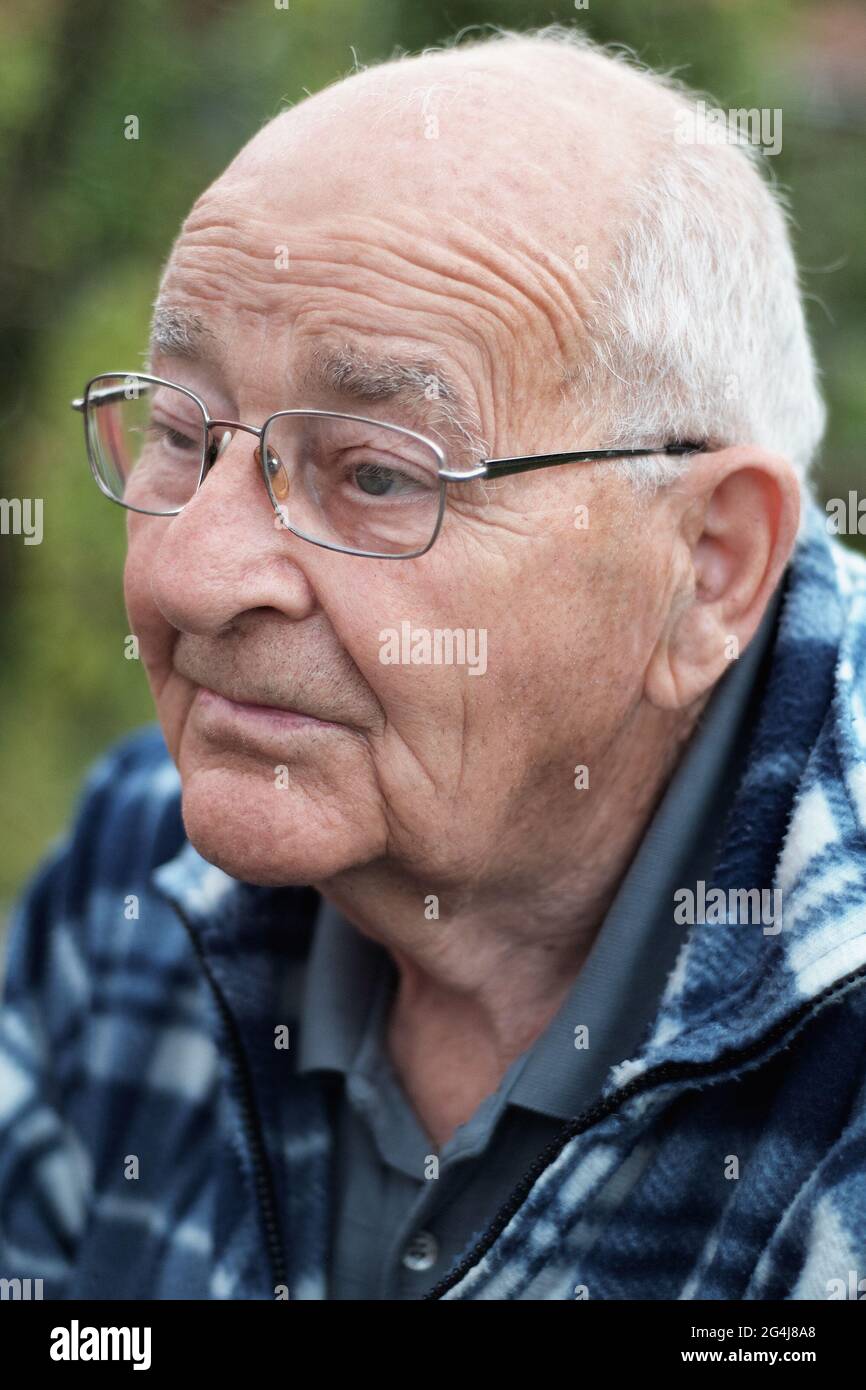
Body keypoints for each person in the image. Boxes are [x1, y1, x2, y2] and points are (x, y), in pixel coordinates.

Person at [2, 24, 865, 1301]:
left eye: (376, 474)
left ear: (708, 568)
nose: (188, 576)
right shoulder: (132, 876)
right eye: (181, 433)